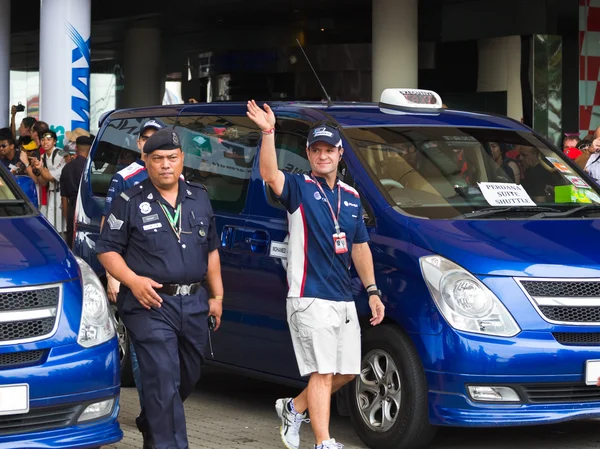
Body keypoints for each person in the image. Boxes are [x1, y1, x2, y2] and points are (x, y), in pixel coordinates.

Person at [246, 100, 385, 449]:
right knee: (322, 373)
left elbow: (360, 247)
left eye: (329, 150)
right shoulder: (299, 187)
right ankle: (324, 442)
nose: (323, 156)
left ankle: (294, 408)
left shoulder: (352, 197)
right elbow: (269, 175)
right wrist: (268, 133)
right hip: (309, 296)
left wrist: (372, 290)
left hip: (344, 298)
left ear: (340, 154)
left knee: (348, 372)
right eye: (316, 150)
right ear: (308, 154)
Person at [96, 128, 224, 449]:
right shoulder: (129, 200)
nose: (165, 165)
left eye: (171, 158)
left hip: (193, 302)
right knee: (164, 378)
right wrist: (132, 281)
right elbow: (107, 250)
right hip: (148, 303)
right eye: (157, 159)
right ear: (146, 161)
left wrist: (218, 295)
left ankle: (152, 417)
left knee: (188, 375)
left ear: (182, 160)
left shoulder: (199, 196)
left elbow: (210, 251)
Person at [99, 119, 161, 446]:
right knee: (140, 349)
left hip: (166, 282)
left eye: (159, 140)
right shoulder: (124, 178)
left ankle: (157, 410)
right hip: (132, 278)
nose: (153, 146)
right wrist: (113, 276)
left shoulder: (174, 177)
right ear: (139, 144)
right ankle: (152, 412)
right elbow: (108, 229)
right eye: (147, 139)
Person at [30, 130, 67, 234]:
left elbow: (51, 177)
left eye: (49, 139)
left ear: (54, 141)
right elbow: (43, 182)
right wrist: (37, 170)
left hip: (62, 194)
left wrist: (40, 168)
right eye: (43, 140)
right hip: (51, 193)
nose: (45, 142)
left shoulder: (61, 154)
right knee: (52, 224)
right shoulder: (42, 157)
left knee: (62, 226)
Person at [60, 135, 92, 247]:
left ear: (77, 149)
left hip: (72, 208)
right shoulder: (90, 167)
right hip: (87, 208)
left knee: (71, 241)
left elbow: (64, 197)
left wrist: (67, 215)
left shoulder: (66, 168)